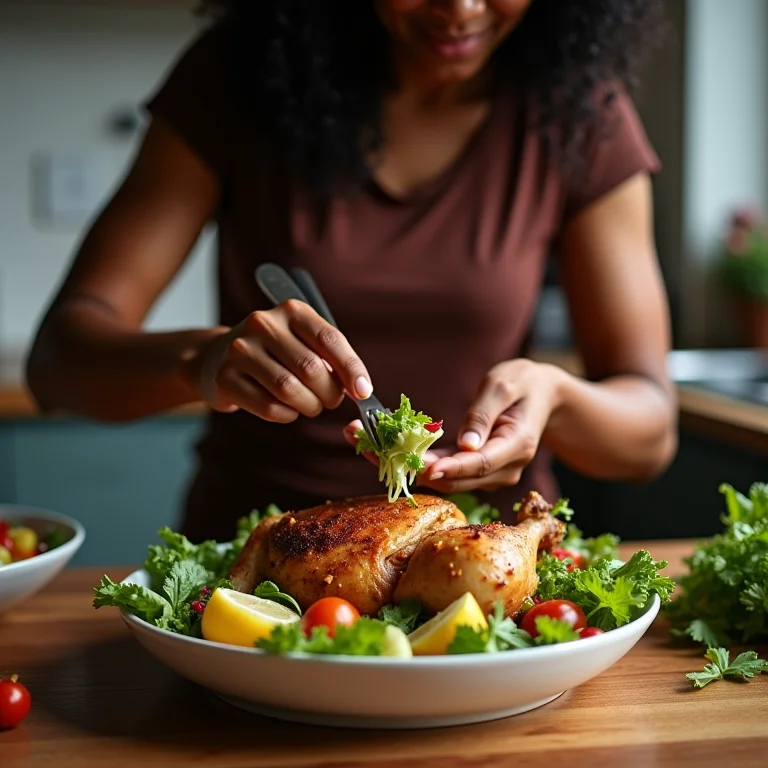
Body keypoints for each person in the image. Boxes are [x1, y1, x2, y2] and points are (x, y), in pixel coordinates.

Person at [25, 0, 677, 543]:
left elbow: (650, 433)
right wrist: (201, 360)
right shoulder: (236, 77)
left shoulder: (581, 113)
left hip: (488, 568)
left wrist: (558, 401)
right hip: (258, 572)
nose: (462, 9)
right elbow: (57, 364)